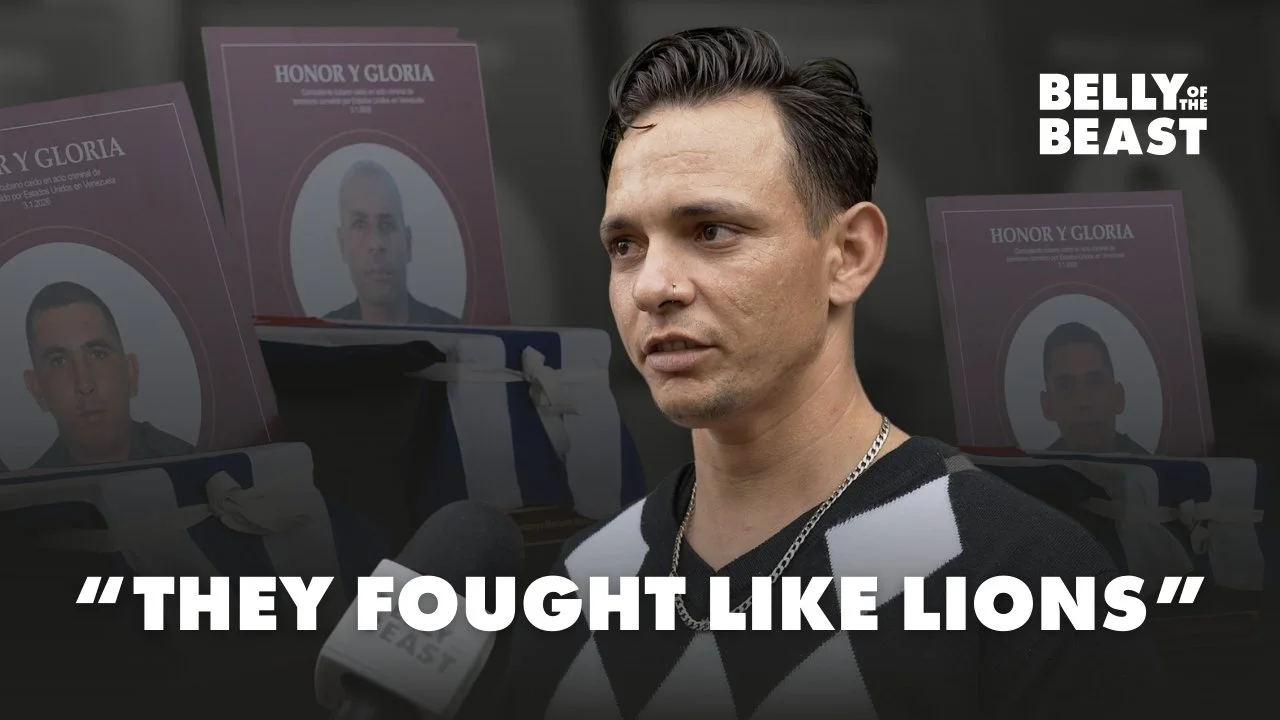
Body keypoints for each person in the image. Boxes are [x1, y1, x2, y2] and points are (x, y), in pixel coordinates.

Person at [501, 27, 1167, 719]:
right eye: (626, 245)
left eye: (711, 231)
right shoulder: (580, 586)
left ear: (849, 253)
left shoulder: (1027, 574)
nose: (652, 286)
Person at [22, 281, 193, 469]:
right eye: (58, 361)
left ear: (131, 372)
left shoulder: (194, 466)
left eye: (98, 354)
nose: (85, 385)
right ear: (36, 389)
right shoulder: (25, 493)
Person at [324, 159, 459, 325]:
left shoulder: (452, 333)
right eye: (360, 224)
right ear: (342, 244)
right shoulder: (320, 335)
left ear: (408, 243)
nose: (376, 243)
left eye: (387, 224)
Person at [1040, 321, 1150, 454]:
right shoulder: (1030, 473)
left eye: (1095, 382)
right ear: (1047, 405)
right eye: (1066, 387)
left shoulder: (1160, 472)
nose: (1084, 402)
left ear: (1118, 397)